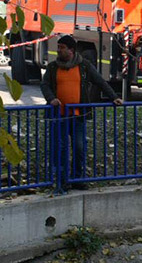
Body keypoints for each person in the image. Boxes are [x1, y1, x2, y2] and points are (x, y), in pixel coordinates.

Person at [40, 35, 123, 184]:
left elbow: (100, 81)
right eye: (58, 47)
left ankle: (78, 178)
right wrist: (51, 98)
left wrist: (113, 97)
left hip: (78, 116)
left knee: (79, 148)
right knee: (60, 148)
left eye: (62, 48)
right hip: (59, 116)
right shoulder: (53, 67)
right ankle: (62, 180)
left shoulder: (84, 66)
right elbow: (45, 85)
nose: (58, 50)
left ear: (71, 50)